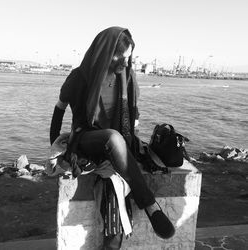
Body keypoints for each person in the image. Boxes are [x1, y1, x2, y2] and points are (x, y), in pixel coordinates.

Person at [50, 26, 175, 248]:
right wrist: (54, 147)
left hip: (118, 148)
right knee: (113, 138)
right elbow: (59, 109)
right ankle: (151, 206)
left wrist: (133, 143)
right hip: (85, 140)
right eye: (121, 56)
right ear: (106, 52)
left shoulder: (126, 77)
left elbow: (134, 115)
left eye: (129, 58)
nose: (125, 63)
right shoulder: (79, 77)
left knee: (114, 214)